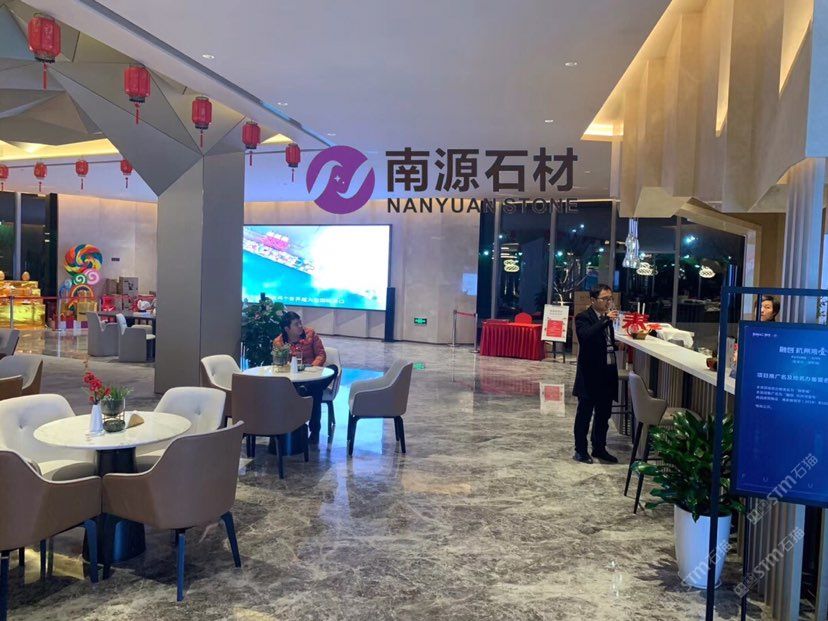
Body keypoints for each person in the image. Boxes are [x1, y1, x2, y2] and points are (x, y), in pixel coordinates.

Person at [572, 284, 620, 464]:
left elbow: (605, 342)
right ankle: (580, 450)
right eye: (605, 299)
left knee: (603, 415)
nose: (609, 302)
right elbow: (585, 337)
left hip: (607, 373)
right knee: (584, 415)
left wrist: (617, 345)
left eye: (610, 298)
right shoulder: (583, 317)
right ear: (593, 300)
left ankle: (599, 448)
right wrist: (605, 320)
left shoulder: (607, 319)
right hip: (590, 375)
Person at [273, 312, 328, 443]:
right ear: (287, 329)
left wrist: (312, 368)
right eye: (296, 324)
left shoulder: (311, 334)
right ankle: (311, 430)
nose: (300, 326)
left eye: (300, 323)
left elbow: (321, 354)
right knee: (316, 390)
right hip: (293, 379)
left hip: (313, 374)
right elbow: (279, 364)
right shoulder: (279, 342)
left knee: (332, 370)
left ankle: (306, 387)